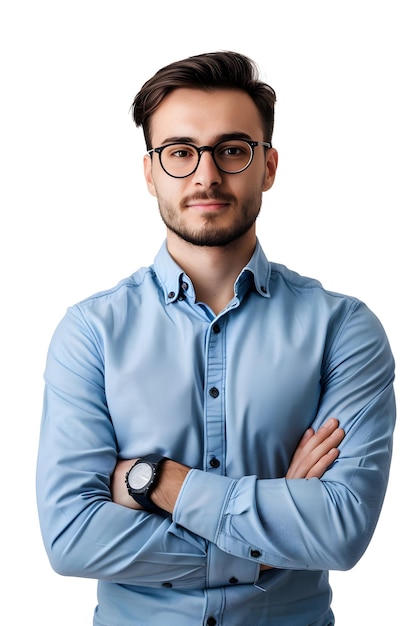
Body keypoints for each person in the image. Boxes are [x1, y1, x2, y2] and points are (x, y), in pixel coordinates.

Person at [36, 51, 396, 626]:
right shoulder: (90, 334)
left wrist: (156, 480)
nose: (205, 176)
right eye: (180, 152)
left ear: (269, 166)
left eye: (232, 150)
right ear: (150, 172)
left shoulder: (344, 330)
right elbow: (73, 537)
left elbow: (340, 529)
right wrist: (272, 529)